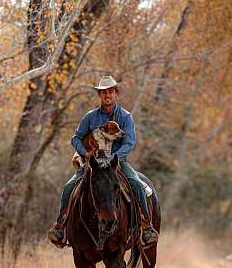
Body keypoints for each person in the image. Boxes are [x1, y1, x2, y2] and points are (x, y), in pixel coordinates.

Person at [47, 75, 159, 248]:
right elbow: (75, 138)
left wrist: (116, 158)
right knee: (69, 186)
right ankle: (60, 227)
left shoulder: (126, 117)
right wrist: (85, 153)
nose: (108, 95)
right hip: (93, 164)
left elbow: (129, 142)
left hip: (117, 163)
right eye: (104, 92)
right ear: (99, 95)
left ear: (116, 94)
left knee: (137, 185)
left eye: (111, 92)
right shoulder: (90, 117)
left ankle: (146, 228)